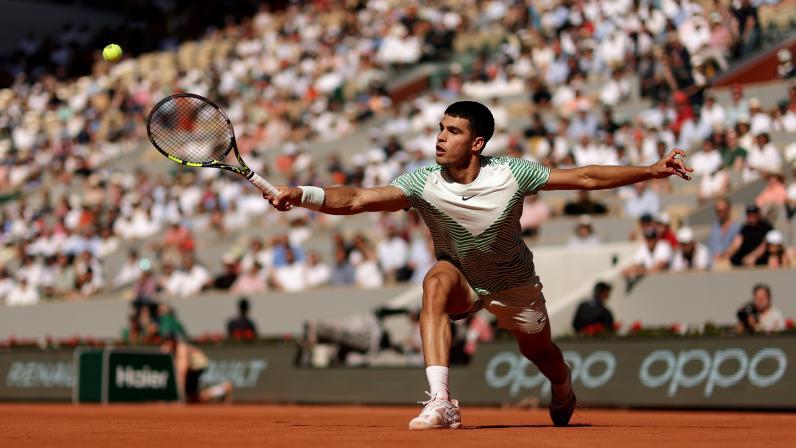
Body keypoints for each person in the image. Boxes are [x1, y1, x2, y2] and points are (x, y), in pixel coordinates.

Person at [264, 101, 692, 430]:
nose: (440, 138)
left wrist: (651, 171)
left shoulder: (511, 173)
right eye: (440, 128)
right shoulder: (423, 182)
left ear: (477, 144)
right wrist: (302, 194)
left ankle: (562, 384)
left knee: (539, 352)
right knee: (434, 282)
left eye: (453, 131)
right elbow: (358, 198)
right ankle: (441, 401)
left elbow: (584, 177)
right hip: (462, 278)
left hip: (513, 284)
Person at [161, 334, 233, 403]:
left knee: (191, 397)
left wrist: (179, 395)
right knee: (194, 398)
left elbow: (182, 371)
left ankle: (223, 389)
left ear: (174, 341)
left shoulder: (181, 348)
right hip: (196, 366)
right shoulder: (172, 349)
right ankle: (223, 389)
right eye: (166, 342)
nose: (167, 344)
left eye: (169, 342)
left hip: (196, 366)